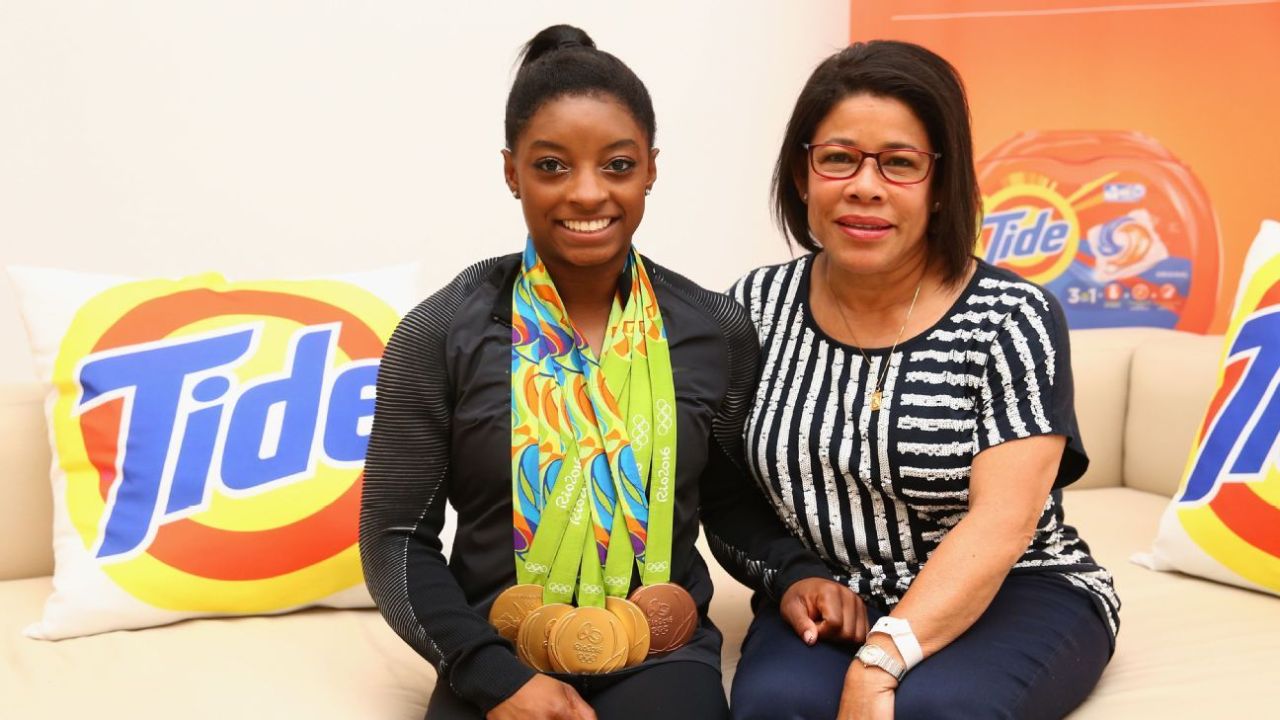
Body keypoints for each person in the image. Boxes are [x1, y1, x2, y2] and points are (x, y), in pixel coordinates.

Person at [360, 25, 854, 720]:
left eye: (617, 166)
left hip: (660, 655)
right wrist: (491, 676)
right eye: (552, 166)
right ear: (511, 172)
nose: (587, 193)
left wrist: (796, 572)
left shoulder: (715, 329)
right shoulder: (439, 333)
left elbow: (729, 502)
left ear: (651, 167)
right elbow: (393, 541)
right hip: (497, 655)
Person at [727, 40, 1120, 720]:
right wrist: (796, 575)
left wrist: (882, 660)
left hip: (1014, 585)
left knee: (938, 711)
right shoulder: (752, 311)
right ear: (802, 174)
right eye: (838, 158)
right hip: (841, 589)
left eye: (900, 164)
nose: (865, 185)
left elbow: (1003, 522)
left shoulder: (1012, 317)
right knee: (771, 707)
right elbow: (726, 486)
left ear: (943, 186)